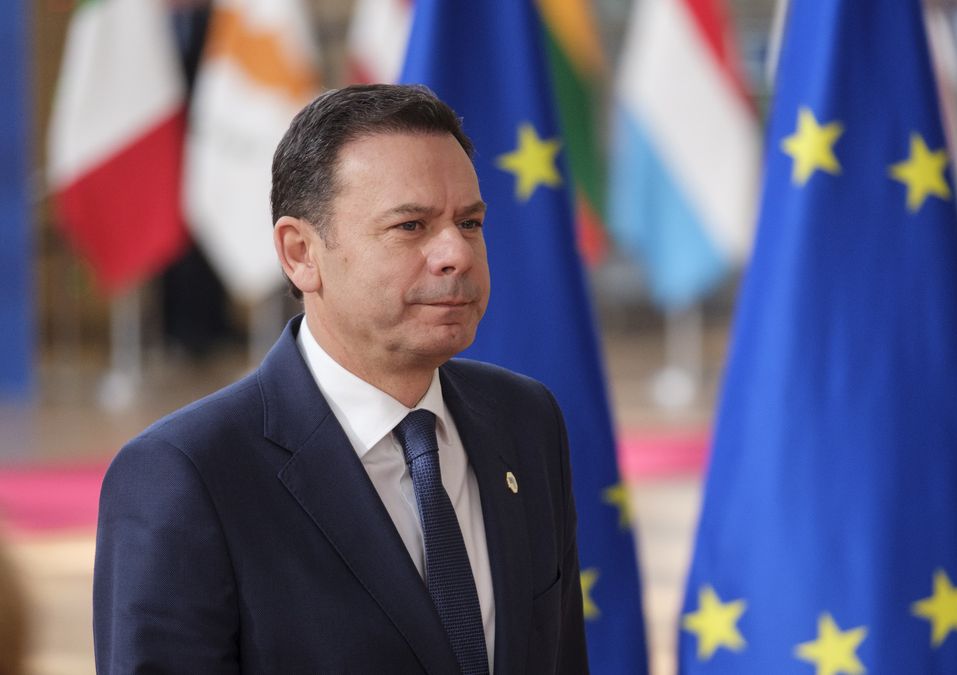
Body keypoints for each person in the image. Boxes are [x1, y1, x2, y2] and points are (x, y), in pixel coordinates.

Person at [93, 84, 588, 674]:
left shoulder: (525, 420)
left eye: (470, 222)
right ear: (301, 252)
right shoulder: (185, 475)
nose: (456, 252)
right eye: (410, 226)